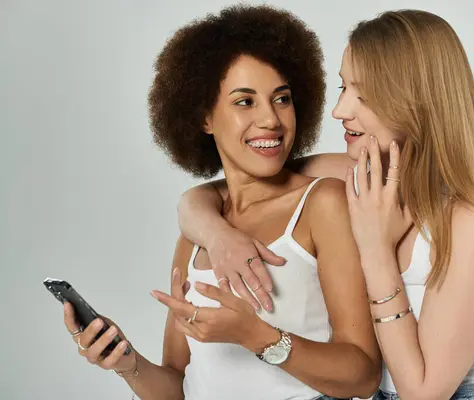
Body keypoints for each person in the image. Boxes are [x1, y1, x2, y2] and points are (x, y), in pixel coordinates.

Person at [177, 9, 474, 400]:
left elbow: (423, 393)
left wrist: (375, 249)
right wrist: (218, 235)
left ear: (417, 102)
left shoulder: (472, 222)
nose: (340, 111)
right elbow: (218, 191)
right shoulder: (349, 173)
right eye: (342, 88)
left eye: (363, 95)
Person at [60, 5, 381, 400]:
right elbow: (177, 385)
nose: (272, 120)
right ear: (205, 118)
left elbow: (362, 374)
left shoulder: (320, 204)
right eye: (245, 102)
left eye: (281, 98)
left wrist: (255, 336)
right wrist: (129, 365)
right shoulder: (196, 237)